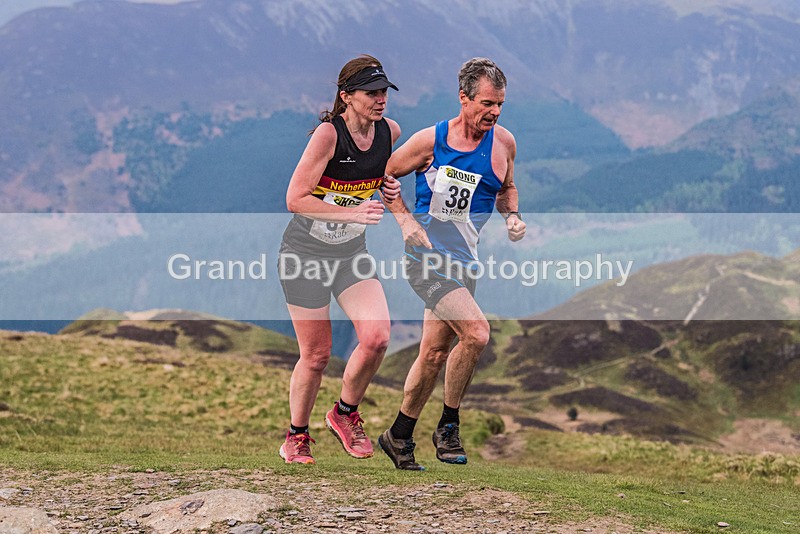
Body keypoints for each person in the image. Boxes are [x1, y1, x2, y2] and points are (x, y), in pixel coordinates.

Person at [377, 57, 526, 470]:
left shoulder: (504, 144)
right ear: (463, 98)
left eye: (500, 105)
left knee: (433, 354)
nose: (493, 113)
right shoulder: (430, 142)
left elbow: (507, 188)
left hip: (465, 265)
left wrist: (511, 215)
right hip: (425, 260)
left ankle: (398, 436)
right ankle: (448, 427)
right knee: (477, 334)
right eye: (486, 104)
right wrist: (405, 221)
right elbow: (383, 175)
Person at [277, 55, 402, 464]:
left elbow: (381, 176)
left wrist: (390, 187)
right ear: (346, 96)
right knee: (316, 355)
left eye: (384, 92)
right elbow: (295, 199)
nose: (380, 100)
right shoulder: (329, 136)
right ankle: (296, 437)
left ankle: (344, 412)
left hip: (350, 254)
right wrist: (352, 212)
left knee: (378, 336)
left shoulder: (390, 133)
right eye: (371, 92)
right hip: (305, 255)